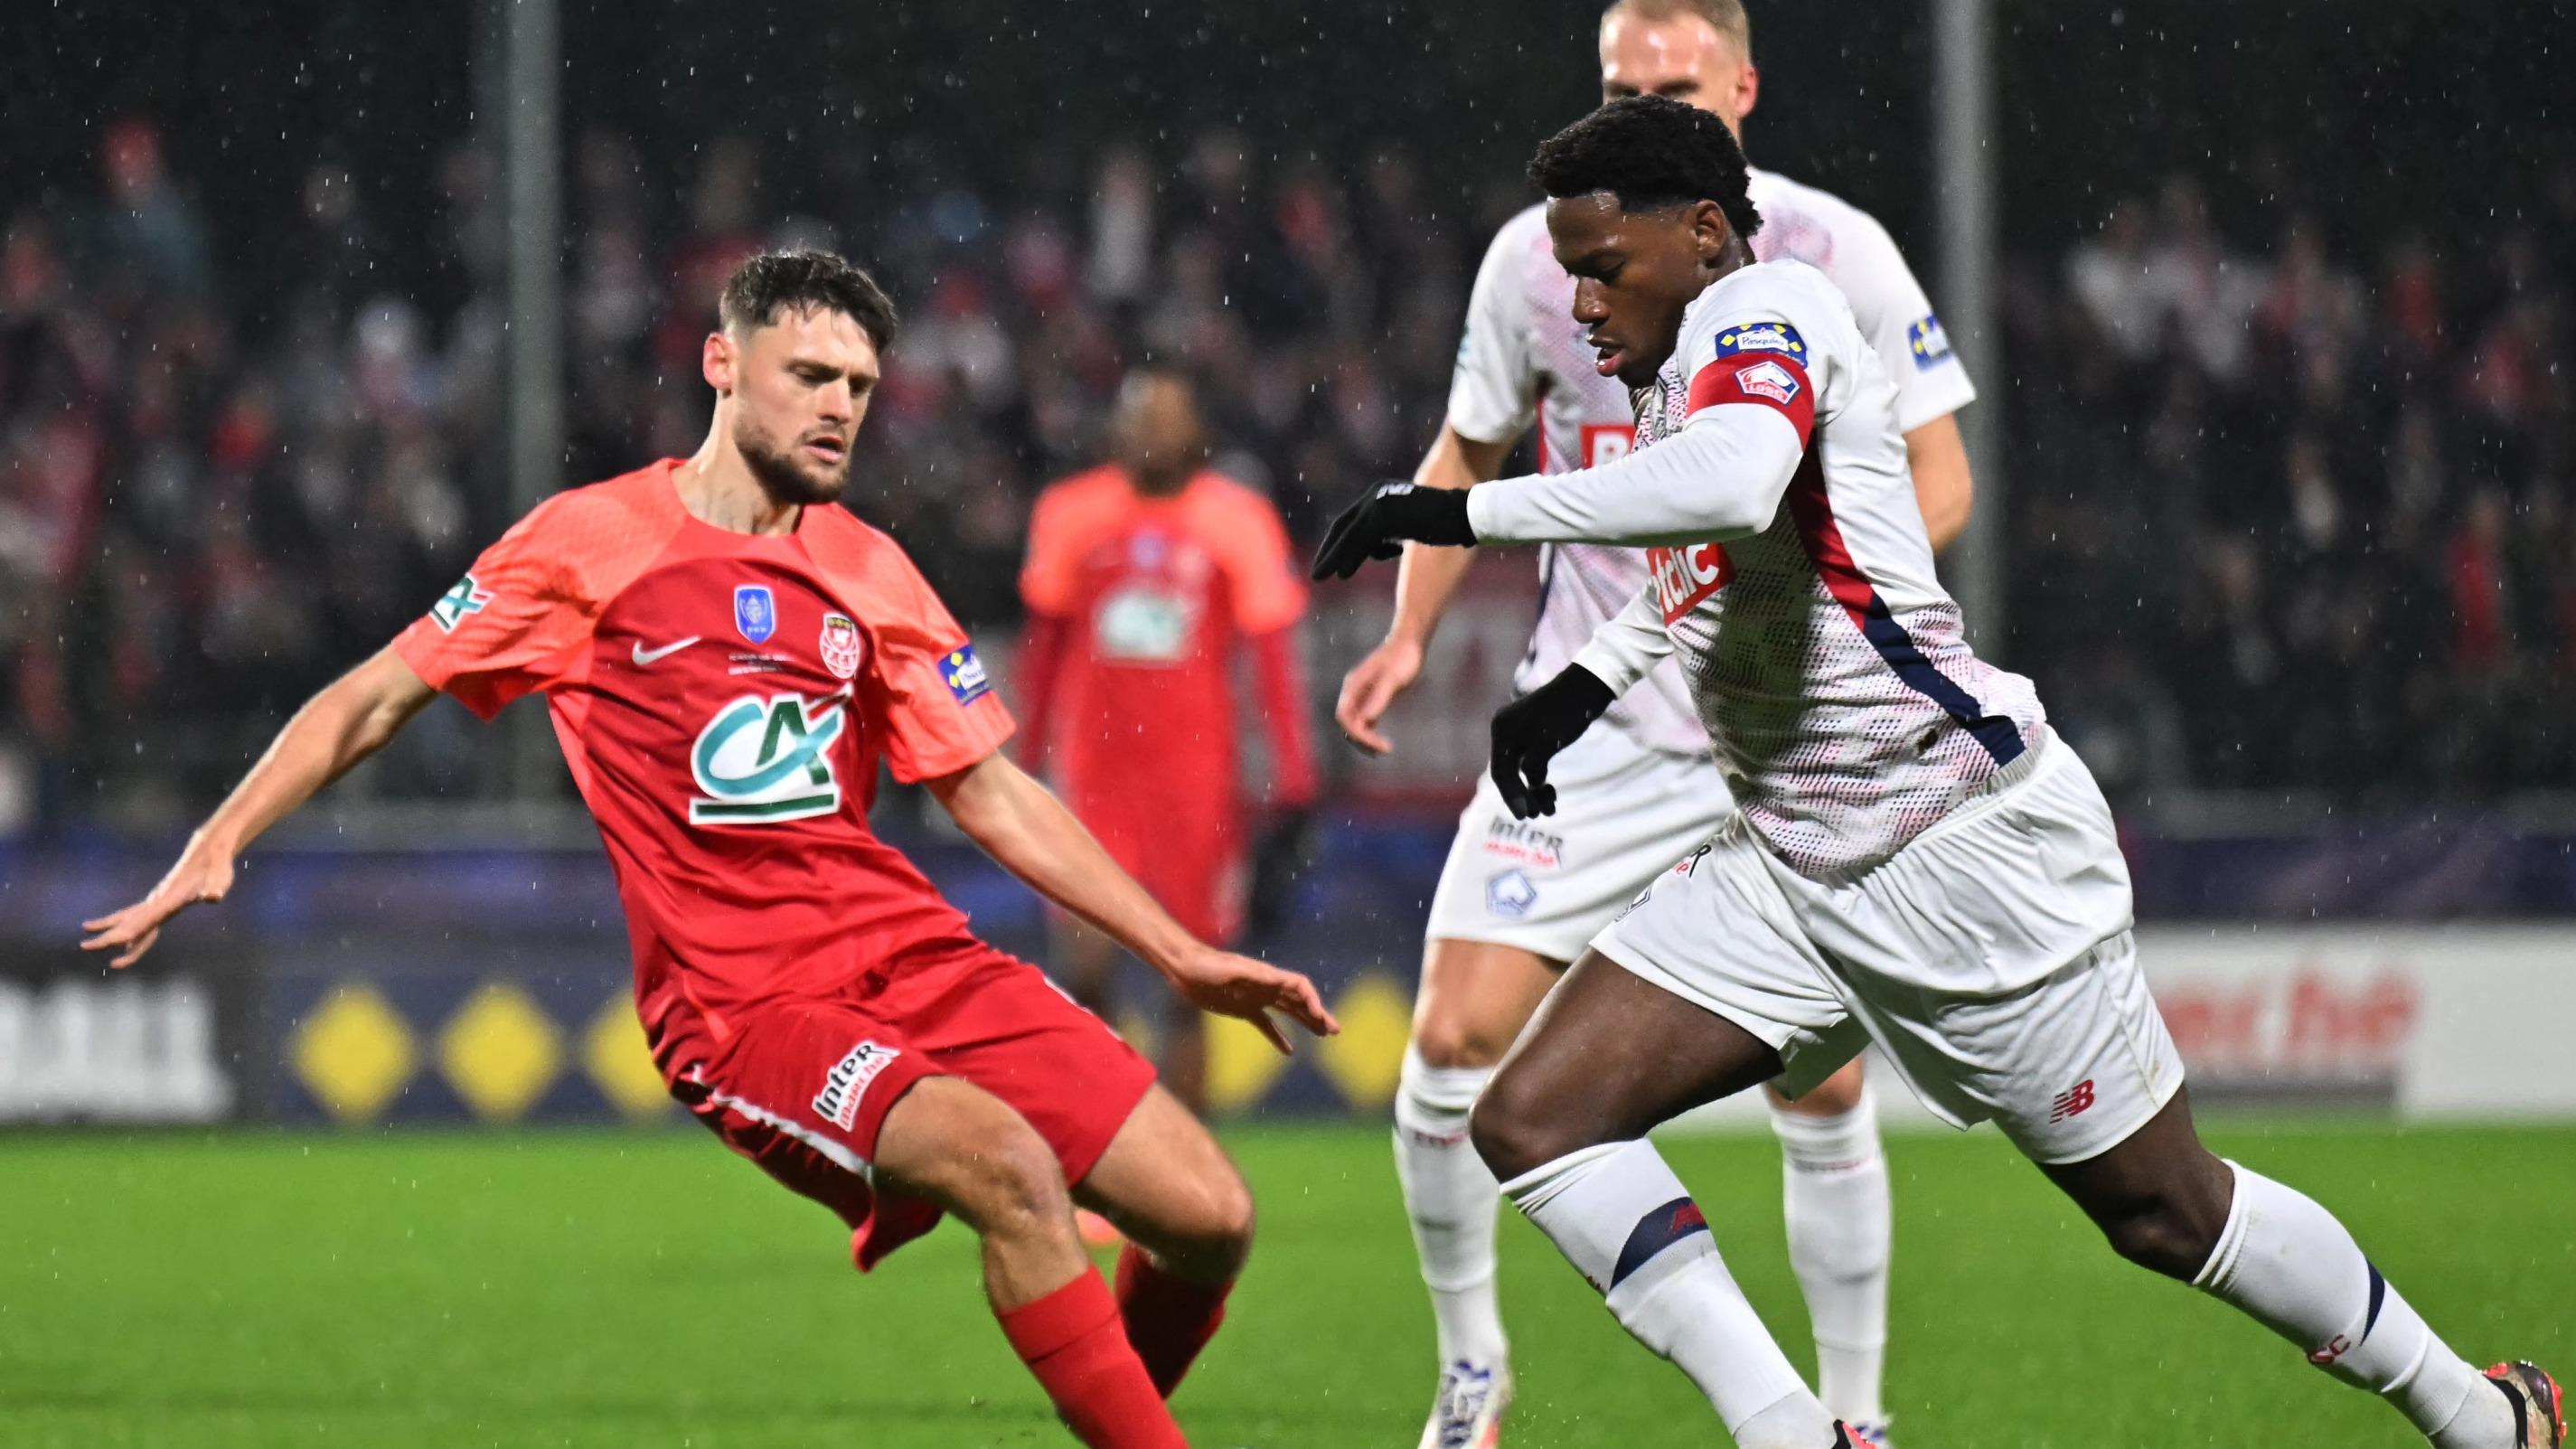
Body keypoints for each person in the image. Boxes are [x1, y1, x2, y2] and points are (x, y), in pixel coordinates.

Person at [1311, 98, 2562, 1449]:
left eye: (1601, 264)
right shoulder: (1673, 366)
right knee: (1537, 1118)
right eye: (1566, 268)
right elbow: (1723, 560)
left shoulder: (1768, 305)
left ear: (1704, 232)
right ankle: (1792, 1431)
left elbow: (1733, 488)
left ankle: (2480, 1417)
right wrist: (1577, 686)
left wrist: (1455, 510)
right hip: (1790, 865)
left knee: (2165, 1208)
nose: (1580, 296)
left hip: (1952, 839)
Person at [84, 249, 1340, 1449]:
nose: (840, 407)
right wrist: (220, 836)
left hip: (911, 955)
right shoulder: (585, 544)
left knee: (1209, 1217)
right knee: (1008, 1167)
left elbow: (993, 791)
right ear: (721, 365)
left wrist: (1179, 950)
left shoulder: (873, 568)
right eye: (809, 376)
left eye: (858, 386)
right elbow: (373, 694)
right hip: (745, 1003)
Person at [1330, 2, 1972, 1441]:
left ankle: (1850, 1414)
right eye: (1618, 84)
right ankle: (1471, 1373)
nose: (1642, 105)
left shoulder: (1836, 254)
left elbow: (1939, 473)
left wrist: (1848, 602)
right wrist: (1410, 633)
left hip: (1776, 731)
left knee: (1819, 1084)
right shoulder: (1535, 255)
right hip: (1596, 724)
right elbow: (1468, 444)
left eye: (1671, 86)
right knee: (1449, 1046)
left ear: (1739, 88)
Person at [1017, 369, 1320, 1114]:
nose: (1152, 433)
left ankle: (1185, 1180)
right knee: (1085, 967)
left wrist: (1294, 772)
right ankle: (1106, 1145)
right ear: (1116, 433)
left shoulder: (1237, 519)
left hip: (1196, 781)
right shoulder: (1071, 512)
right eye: (1139, 419)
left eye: (1167, 419)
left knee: (1192, 981)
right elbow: (1044, 647)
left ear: (1196, 434)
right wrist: (1020, 760)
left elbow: (1273, 657)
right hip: (1096, 772)